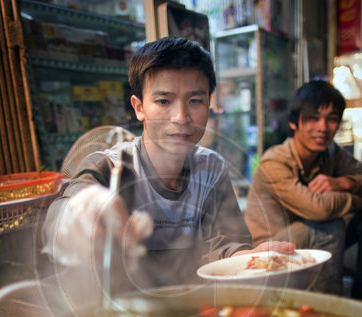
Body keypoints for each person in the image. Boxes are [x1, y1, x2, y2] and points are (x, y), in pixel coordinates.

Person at [42, 37, 293, 293]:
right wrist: (78, 213)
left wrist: (250, 257)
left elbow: (225, 243)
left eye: (195, 101)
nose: (181, 117)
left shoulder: (211, 168)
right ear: (139, 107)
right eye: (164, 101)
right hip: (125, 312)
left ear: (209, 104)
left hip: (195, 306)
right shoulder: (110, 166)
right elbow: (64, 210)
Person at [245, 79, 362, 296]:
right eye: (313, 119)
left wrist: (346, 182)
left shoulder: (331, 153)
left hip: (307, 239)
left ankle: (358, 299)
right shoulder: (274, 161)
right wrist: (354, 200)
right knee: (329, 224)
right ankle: (328, 305)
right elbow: (318, 209)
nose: (323, 128)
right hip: (270, 248)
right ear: (294, 122)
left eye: (332, 119)